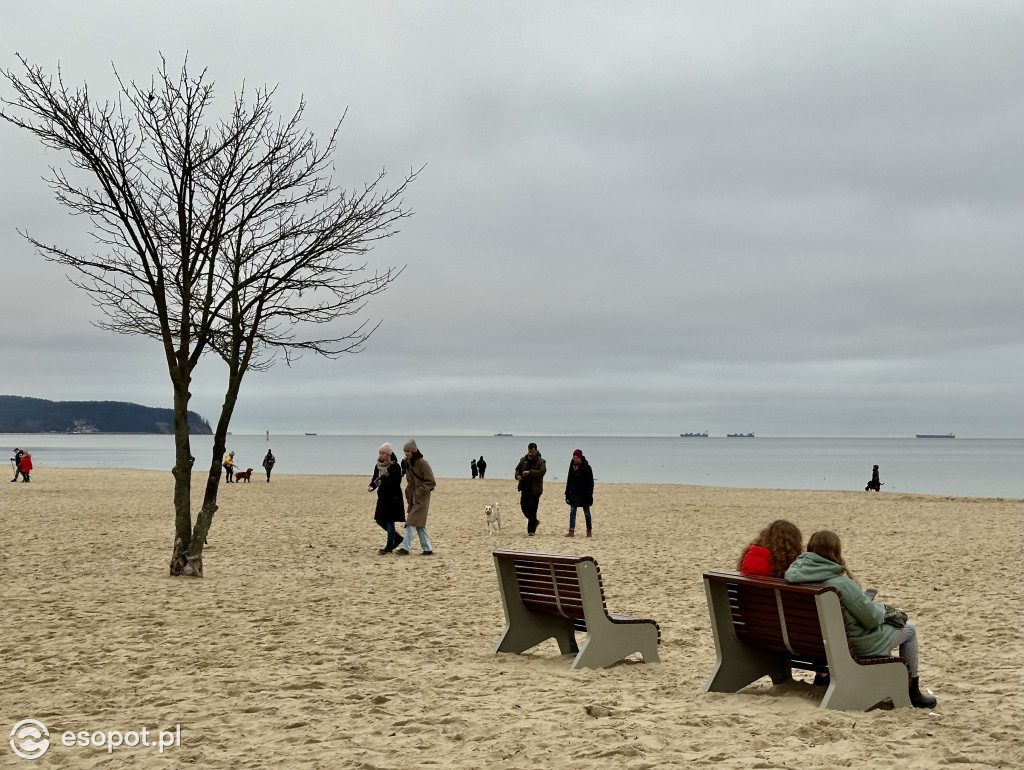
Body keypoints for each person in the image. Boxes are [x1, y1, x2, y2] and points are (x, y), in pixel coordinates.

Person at [785, 530, 938, 709]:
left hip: (810, 643)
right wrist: (885, 610)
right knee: (909, 629)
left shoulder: (793, 577)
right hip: (851, 645)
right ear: (835, 552)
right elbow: (871, 619)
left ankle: (822, 678)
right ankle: (913, 691)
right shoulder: (840, 584)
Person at [738, 519, 828, 686]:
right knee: (817, 624)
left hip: (754, 631)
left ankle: (821, 674)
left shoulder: (750, 560)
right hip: (790, 637)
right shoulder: (787, 570)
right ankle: (822, 674)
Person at [395, 440, 436, 556]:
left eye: (408, 451)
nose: (406, 453)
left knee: (411, 522)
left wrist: (420, 491)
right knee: (419, 524)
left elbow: (431, 482)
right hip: (412, 496)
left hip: (421, 498)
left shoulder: (423, 463)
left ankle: (405, 548)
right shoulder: (407, 463)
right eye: (405, 451)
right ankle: (427, 549)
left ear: (413, 451)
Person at [368, 443, 406, 554]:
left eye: (383, 453)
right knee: (379, 520)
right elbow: (375, 478)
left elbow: (396, 481)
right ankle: (397, 538)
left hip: (393, 497)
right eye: (380, 453)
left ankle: (389, 545)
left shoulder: (395, 466)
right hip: (382, 496)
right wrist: (372, 486)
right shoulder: (378, 465)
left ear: (388, 454)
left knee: (389, 521)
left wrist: (383, 482)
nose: (381, 455)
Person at [514, 442, 546, 536]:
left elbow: (542, 472)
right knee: (524, 507)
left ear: (536, 450)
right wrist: (517, 476)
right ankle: (535, 521)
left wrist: (530, 472)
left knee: (533, 509)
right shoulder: (523, 460)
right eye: (530, 451)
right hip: (525, 487)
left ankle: (531, 530)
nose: (531, 453)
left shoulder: (541, 461)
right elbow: (517, 470)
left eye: (532, 451)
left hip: (535, 489)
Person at [564, 449, 594, 537]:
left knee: (587, 512)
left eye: (576, 458)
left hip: (584, 494)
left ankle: (589, 530)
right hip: (574, 492)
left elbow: (591, 482)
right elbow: (569, 479)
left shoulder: (587, 467)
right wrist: (567, 492)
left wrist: (589, 494)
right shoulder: (572, 466)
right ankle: (571, 531)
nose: (575, 459)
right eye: (573, 458)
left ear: (580, 458)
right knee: (572, 511)